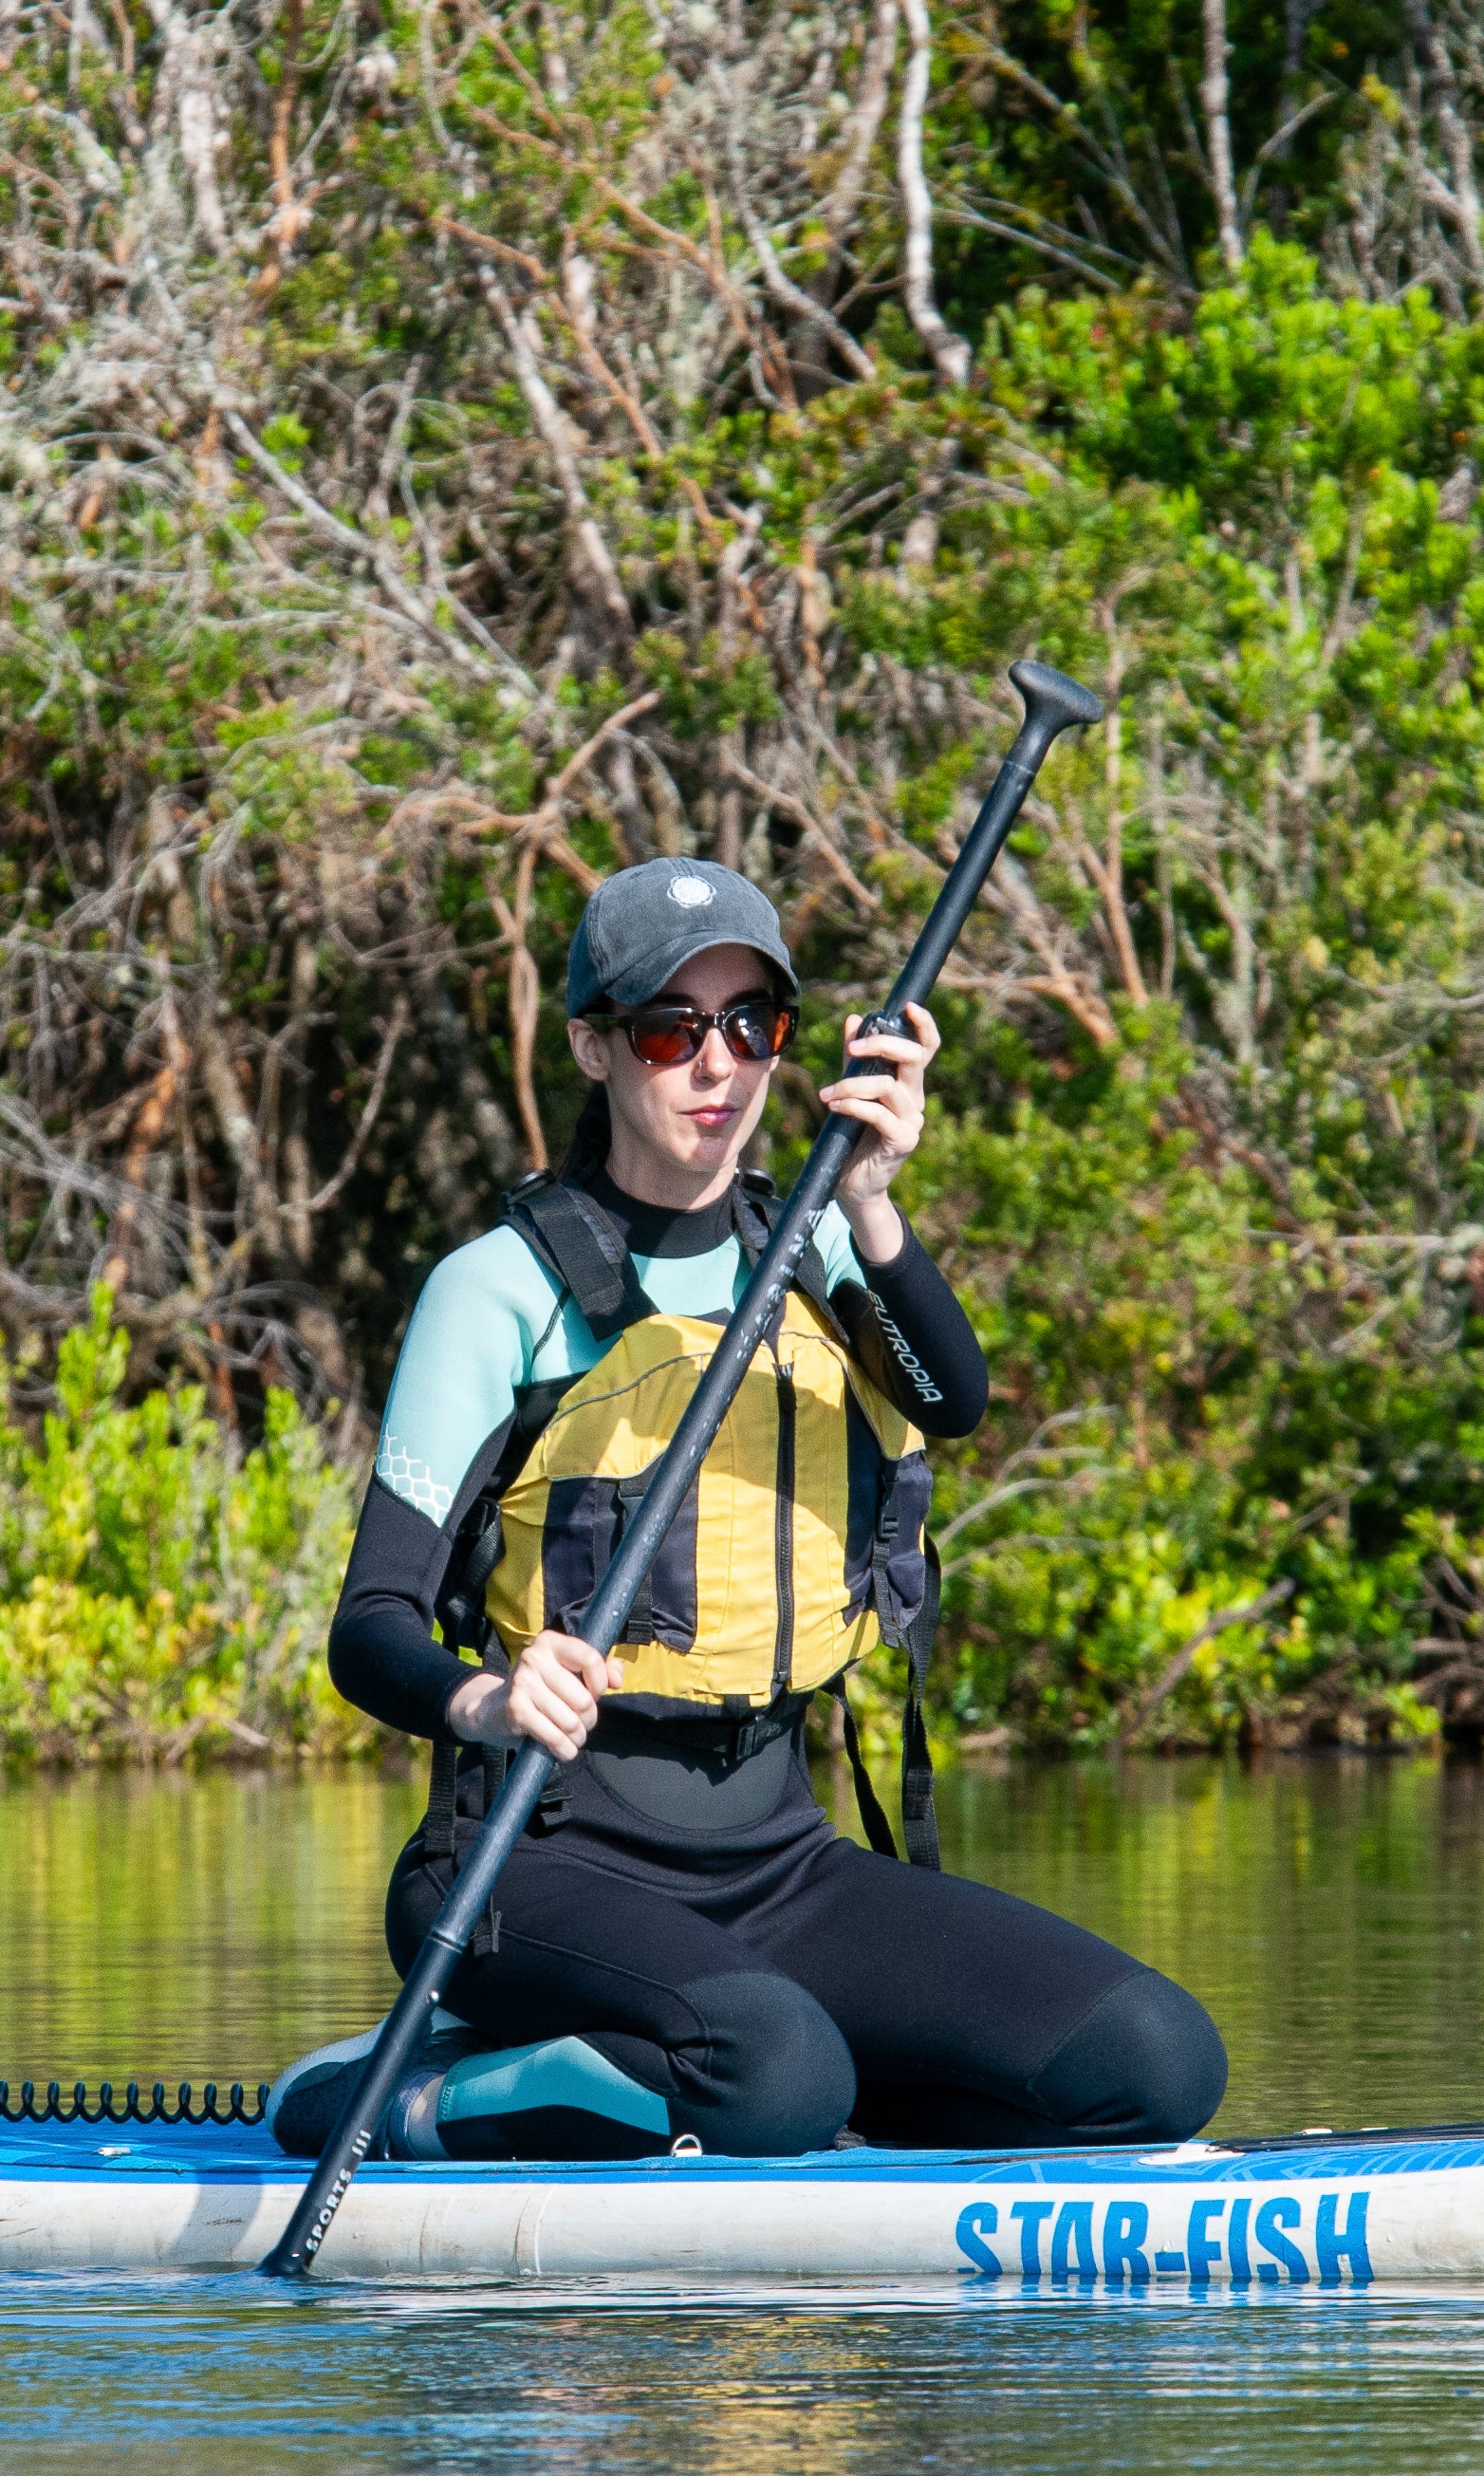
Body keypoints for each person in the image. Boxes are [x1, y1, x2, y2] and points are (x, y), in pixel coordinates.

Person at [272, 857, 1227, 2163]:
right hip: (531, 1860)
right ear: (595, 1048)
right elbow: (370, 1626)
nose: (717, 1064)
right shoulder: (495, 1293)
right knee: (774, 2070)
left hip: (777, 1853)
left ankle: (784, 2097)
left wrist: (872, 1201)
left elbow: (951, 1399)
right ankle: (404, 2100)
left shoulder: (817, 1249)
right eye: (672, 1030)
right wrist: (486, 1699)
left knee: (1155, 2063)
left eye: (752, 1025)